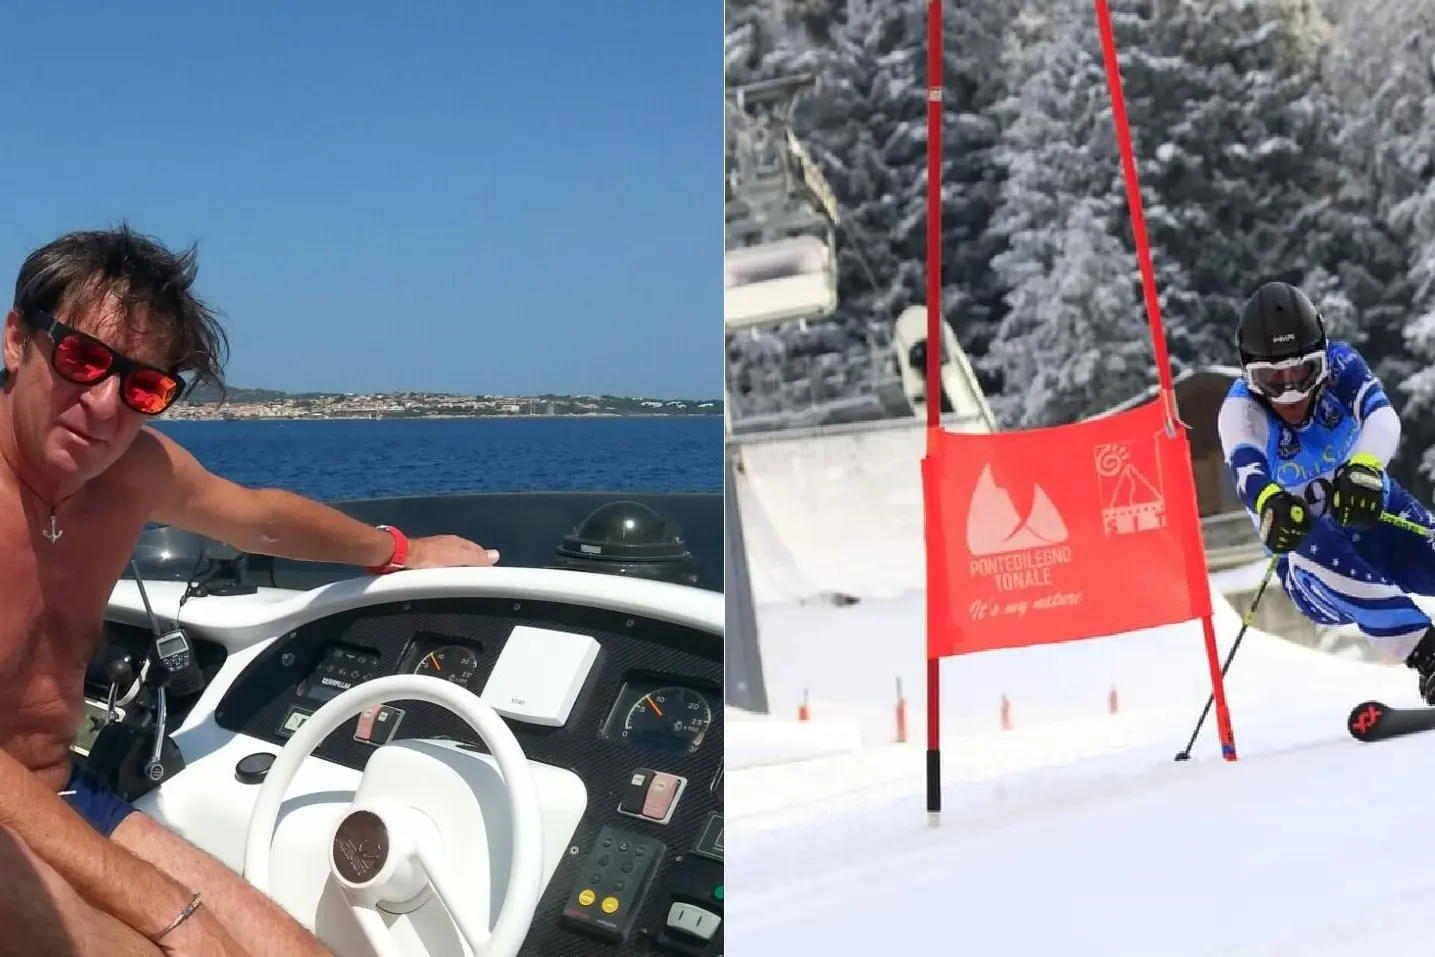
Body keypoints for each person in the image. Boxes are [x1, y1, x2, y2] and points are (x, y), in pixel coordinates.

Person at [0, 225, 502, 957]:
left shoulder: (131, 470)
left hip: (64, 793)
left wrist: (400, 550)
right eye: (82, 358)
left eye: (142, 386)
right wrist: (169, 911)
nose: (106, 406)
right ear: (17, 339)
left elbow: (258, 519)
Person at [1216, 280, 1435, 705]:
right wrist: (1271, 505)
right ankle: (1429, 655)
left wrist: (1365, 468)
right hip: (1318, 571)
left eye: (1303, 371)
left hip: (1380, 523)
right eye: (1271, 379)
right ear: (1248, 373)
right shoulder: (1239, 410)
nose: (1291, 393)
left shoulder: (1342, 364)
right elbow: (1248, 473)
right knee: (1303, 537)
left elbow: (1383, 418)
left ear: (1323, 357)